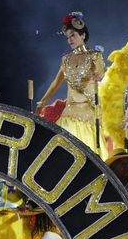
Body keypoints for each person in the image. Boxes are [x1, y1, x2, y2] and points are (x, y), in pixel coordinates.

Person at [36, 12, 108, 157]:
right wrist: (43, 100)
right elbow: (56, 83)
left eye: (73, 35)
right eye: (68, 37)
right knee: (64, 151)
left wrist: (98, 74)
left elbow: (101, 74)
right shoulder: (66, 60)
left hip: (88, 111)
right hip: (69, 112)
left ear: (83, 35)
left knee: (89, 153)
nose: (70, 40)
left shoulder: (94, 55)